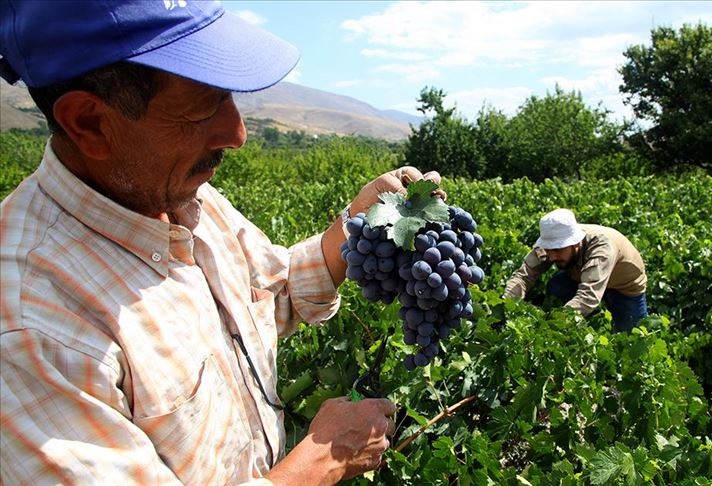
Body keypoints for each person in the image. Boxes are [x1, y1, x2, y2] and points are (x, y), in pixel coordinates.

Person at [0, 1, 439, 484]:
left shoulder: (186, 198)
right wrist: (321, 462)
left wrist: (357, 223)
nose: (238, 133)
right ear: (89, 123)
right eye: (202, 108)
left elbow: (273, 293)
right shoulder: (31, 329)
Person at [503, 208, 648, 332]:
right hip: (582, 276)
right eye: (549, 249)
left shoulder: (602, 248)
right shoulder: (550, 243)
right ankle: (581, 324)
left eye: (558, 249)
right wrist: (506, 304)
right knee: (557, 287)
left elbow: (588, 296)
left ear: (576, 243)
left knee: (631, 337)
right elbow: (524, 275)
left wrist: (555, 324)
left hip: (624, 286)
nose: (552, 256)